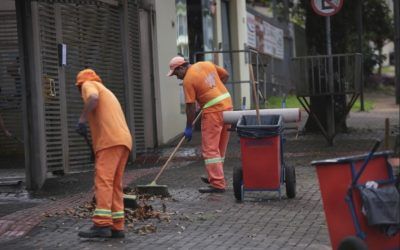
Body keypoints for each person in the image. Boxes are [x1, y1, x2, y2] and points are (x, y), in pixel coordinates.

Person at [75, 69, 132, 238]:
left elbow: (92, 98)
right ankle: (117, 225)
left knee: (103, 181)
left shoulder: (88, 84)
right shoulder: (107, 91)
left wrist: (82, 120)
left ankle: (101, 224)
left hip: (110, 142)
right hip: (123, 140)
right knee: (115, 183)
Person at [167, 56, 232, 193]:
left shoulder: (188, 80)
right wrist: (214, 92)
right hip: (228, 107)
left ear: (182, 67)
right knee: (219, 147)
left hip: (213, 112)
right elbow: (225, 75)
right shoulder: (206, 64)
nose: (177, 77)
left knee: (210, 149)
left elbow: (190, 107)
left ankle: (217, 184)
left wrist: (189, 127)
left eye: (176, 73)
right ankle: (215, 176)